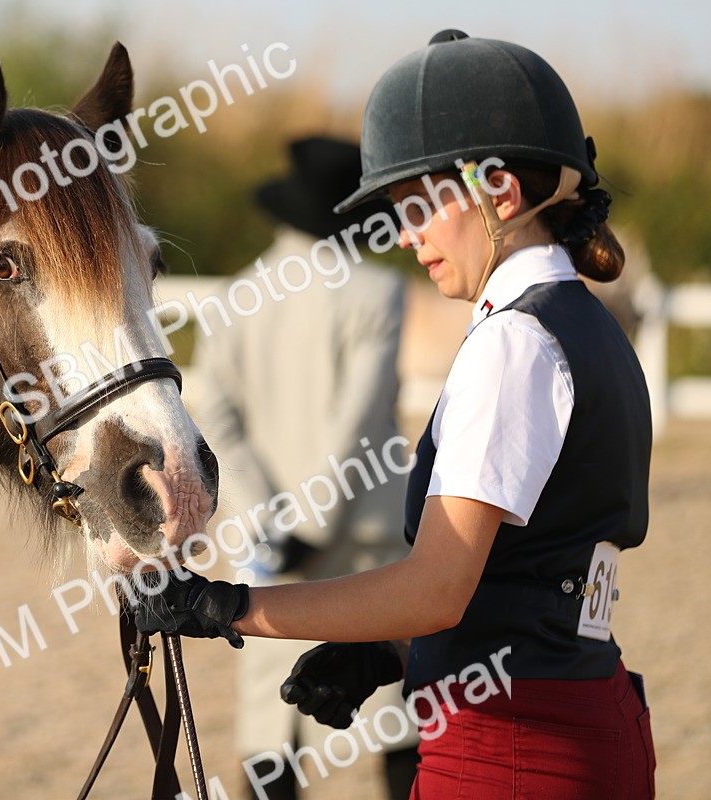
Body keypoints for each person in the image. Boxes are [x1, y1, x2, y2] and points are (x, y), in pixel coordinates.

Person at [136, 30, 656, 798]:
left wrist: (229, 605)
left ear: (500, 193)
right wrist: (386, 651)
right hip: (582, 711)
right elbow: (530, 578)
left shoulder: (514, 339)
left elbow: (437, 587)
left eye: (419, 207)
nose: (406, 237)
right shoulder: (586, 325)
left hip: (508, 748)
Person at [189, 136, 418, 799]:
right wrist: (315, 523)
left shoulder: (234, 299)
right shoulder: (379, 293)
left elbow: (219, 425)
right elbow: (357, 419)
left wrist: (271, 522)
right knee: (392, 717)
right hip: (363, 545)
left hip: (270, 552)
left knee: (271, 723)